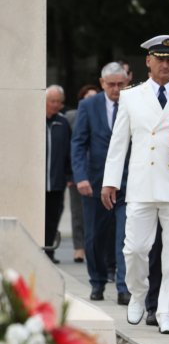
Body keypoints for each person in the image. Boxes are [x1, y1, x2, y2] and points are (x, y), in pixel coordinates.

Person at [101, 35, 169, 335]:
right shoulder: (131, 96)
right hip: (141, 182)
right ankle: (138, 293)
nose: (165, 64)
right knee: (134, 249)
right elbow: (119, 143)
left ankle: (167, 311)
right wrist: (110, 181)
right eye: (160, 58)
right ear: (148, 61)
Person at [72, 63, 132, 305]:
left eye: (121, 84)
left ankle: (123, 287)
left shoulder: (133, 103)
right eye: (111, 85)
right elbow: (78, 143)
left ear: (127, 82)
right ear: (102, 83)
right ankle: (97, 281)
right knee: (94, 237)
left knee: (125, 237)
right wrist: (81, 176)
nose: (116, 89)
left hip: (127, 182)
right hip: (95, 182)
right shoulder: (89, 105)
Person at [65, 84, 99, 264]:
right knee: (78, 213)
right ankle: (79, 247)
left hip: (98, 172)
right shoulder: (71, 117)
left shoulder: (104, 116)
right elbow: (69, 147)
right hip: (78, 173)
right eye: (88, 98)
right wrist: (70, 175)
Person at [45, 85, 72, 263]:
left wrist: (70, 176)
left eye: (58, 102)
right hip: (37, 183)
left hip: (56, 182)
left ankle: (49, 253)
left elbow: (70, 151)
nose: (55, 105)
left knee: (53, 219)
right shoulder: (33, 119)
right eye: (52, 101)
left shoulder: (63, 123)